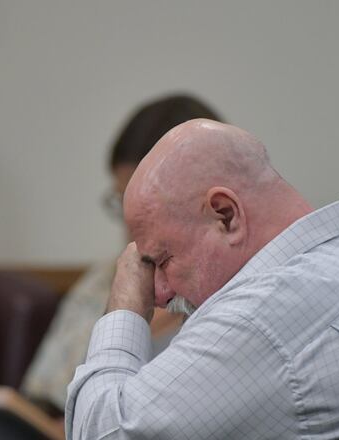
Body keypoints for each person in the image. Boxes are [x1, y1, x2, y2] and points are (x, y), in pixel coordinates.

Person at [66, 119, 339, 439]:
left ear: (226, 215)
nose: (161, 293)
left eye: (164, 260)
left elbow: (100, 433)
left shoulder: (259, 315)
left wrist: (124, 308)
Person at [22, 94, 223, 413]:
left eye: (145, 206)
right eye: (122, 203)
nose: (131, 225)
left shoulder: (228, 302)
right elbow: (39, 392)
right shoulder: (102, 281)